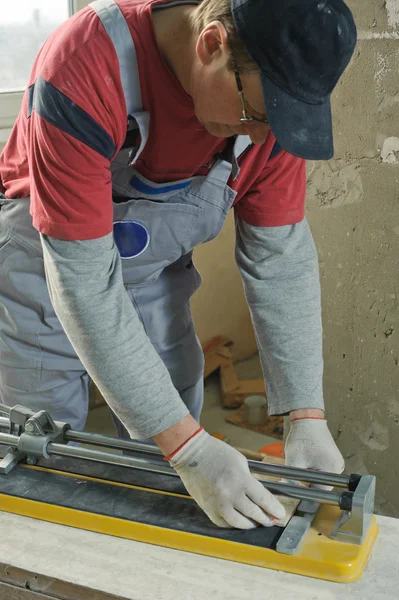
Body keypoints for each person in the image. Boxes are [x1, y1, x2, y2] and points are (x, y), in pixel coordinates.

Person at [0, 0, 356, 529]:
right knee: (45, 464)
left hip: (153, 278)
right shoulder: (86, 64)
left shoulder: (271, 116)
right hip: (43, 276)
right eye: (257, 116)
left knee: (173, 481)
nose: (264, 139)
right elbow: (84, 282)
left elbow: (280, 261)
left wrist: (305, 415)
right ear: (211, 45)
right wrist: (189, 448)